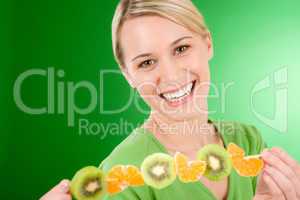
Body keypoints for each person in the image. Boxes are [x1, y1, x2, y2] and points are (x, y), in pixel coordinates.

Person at [40, 0, 300, 199]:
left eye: (181, 48)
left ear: (207, 43)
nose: (172, 76)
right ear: (128, 75)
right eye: (147, 62)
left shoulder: (248, 141)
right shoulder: (122, 172)